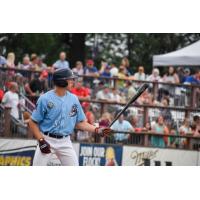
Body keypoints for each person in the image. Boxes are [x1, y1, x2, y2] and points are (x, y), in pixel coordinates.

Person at [29, 68, 112, 166]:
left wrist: (97, 130)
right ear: (62, 81)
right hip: (47, 139)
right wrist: (41, 140)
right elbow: (32, 122)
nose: (73, 81)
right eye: (70, 79)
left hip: (65, 141)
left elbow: (80, 123)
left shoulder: (74, 99)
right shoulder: (45, 99)